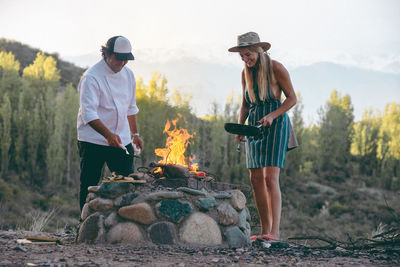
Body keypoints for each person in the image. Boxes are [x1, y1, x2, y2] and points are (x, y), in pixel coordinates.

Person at [228, 32, 298, 241]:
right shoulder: (245, 73)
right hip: (254, 126)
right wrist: (240, 128)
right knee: (255, 179)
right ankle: (265, 231)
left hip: (276, 124)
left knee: (270, 178)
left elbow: (292, 99)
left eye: (248, 55)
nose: (245, 60)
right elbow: (245, 104)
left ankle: (275, 233)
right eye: (242, 56)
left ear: (259, 50)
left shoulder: (276, 68)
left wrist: (272, 116)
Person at [77, 36, 144, 211]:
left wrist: (135, 134)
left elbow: (131, 107)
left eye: (125, 60)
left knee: (128, 183)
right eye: (118, 59)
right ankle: (83, 226)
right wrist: (107, 135)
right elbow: (88, 114)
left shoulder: (128, 75)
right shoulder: (91, 77)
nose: (122, 63)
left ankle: (121, 224)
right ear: (106, 53)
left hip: (121, 140)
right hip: (93, 140)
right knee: (89, 184)